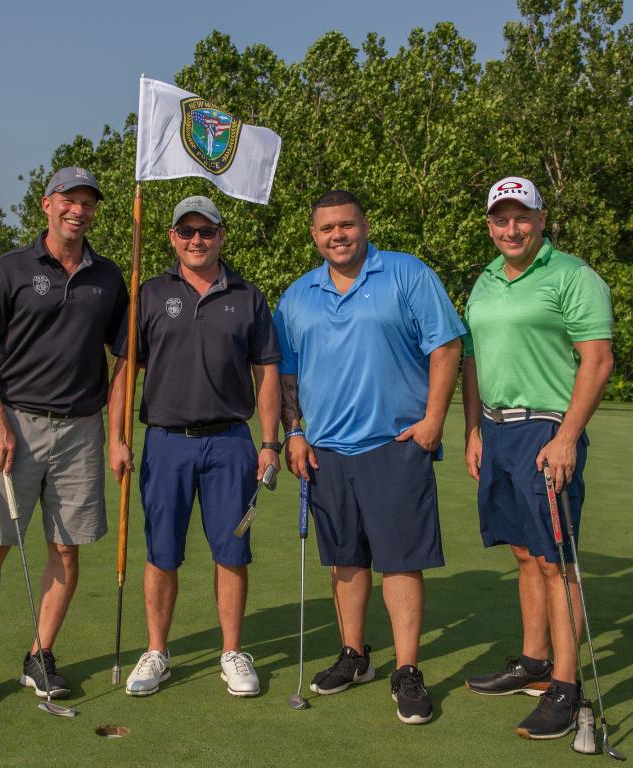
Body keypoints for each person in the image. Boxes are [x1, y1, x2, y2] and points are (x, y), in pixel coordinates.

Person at [273, 190, 465, 724]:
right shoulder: (296, 296)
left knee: (402, 560)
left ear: (365, 225)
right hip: (326, 449)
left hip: (395, 444)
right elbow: (286, 373)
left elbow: (446, 346)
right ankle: (354, 655)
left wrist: (433, 421)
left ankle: (407, 670)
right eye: (326, 228)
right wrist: (294, 431)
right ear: (314, 236)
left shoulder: (406, 274)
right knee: (345, 559)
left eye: (347, 225)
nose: (338, 235)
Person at [0, 167, 128, 714]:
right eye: (69, 200)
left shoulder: (109, 277)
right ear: (47, 205)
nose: (79, 210)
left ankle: (39, 655)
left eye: (88, 203)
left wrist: (116, 433)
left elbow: (125, 359)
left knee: (66, 550)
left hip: (81, 429)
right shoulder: (11, 269)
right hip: (15, 425)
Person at [109, 195, 281, 698]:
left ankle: (232, 651)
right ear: (172, 238)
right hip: (166, 443)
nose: (197, 240)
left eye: (206, 231)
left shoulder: (247, 296)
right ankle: (157, 651)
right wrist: (117, 438)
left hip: (231, 444)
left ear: (222, 236)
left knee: (233, 548)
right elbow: (124, 371)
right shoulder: (150, 292)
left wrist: (269, 443)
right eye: (187, 232)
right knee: (162, 551)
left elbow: (266, 372)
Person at [462, 176, 613, 739]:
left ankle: (566, 686)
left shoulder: (573, 275)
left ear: (541, 219)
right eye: (500, 219)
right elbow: (473, 360)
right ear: (489, 225)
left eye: (521, 217)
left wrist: (568, 435)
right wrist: (474, 428)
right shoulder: (485, 279)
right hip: (498, 432)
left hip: (547, 428)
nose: (511, 228)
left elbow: (597, 360)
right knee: (524, 553)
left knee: (555, 561)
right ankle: (533, 661)